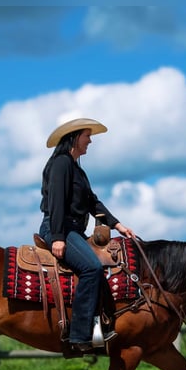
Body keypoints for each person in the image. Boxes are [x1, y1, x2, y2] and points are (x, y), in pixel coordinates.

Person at [38, 117, 136, 352]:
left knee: (101, 268)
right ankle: (79, 336)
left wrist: (117, 224)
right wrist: (59, 236)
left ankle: (99, 327)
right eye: (87, 136)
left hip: (72, 229)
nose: (90, 141)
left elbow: (92, 201)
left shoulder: (76, 169)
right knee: (91, 268)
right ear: (74, 138)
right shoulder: (61, 163)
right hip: (59, 227)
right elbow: (57, 201)